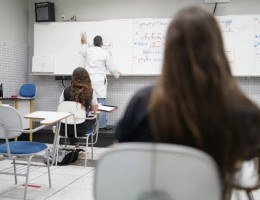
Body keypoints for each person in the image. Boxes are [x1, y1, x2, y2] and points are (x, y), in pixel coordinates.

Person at [115, 7, 260, 199]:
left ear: (169, 50)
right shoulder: (244, 110)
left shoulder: (142, 103)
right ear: (217, 48)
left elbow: (119, 159)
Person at [80, 34, 121, 130]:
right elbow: (111, 68)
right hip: (99, 81)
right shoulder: (105, 53)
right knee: (101, 104)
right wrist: (117, 74)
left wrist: (84, 42)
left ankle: (88, 124)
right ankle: (102, 125)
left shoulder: (88, 51)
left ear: (93, 43)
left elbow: (83, 49)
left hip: (89, 80)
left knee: (89, 101)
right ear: (102, 43)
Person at [59, 67, 98, 145]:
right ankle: (76, 146)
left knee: (71, 119)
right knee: (94, 117)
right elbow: (95, 110)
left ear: (73, 77)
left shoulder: (65, 90)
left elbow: (61, 106)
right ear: (87, 78)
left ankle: (75, 145)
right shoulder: (90, 91)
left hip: (64, 128)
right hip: (81, 129)